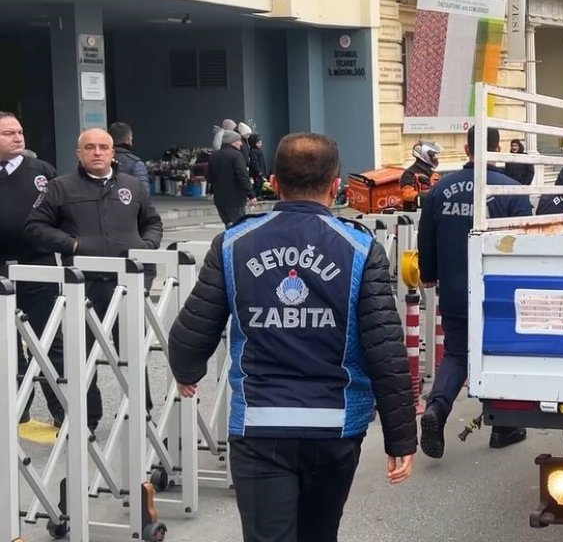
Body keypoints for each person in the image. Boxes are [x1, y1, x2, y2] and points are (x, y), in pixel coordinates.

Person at [167, 132, 416, 542]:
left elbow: (191, 330)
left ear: (274, 182)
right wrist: (400, 435)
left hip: (260, 427)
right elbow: (385, 349)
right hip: (335, 428)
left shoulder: (233, 243)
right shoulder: (359, 247)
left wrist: (186, 369)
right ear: (336, 186)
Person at [25, 127, 164, 431]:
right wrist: (72, 245)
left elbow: (152, 222)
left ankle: (141, 413)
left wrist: (148, 246)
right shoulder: (59, 188)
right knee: (81, 356)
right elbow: (36, 227)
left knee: (132, 353)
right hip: (83, 287)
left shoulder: (133, 187)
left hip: (126, 284)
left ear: (114, 153)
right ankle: (86, 419)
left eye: (103, 147)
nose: (97, 152)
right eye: (90, 147)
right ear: (79, 153)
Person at [417, 125, 531, 459]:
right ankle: (504, 426)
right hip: (499, 293)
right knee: (502, 354)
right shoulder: (512, 190)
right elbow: (525, 243)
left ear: (466, 149)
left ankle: (436, 409)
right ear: (497, 150)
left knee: (456, 354)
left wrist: (429, 274)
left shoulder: (441, 189)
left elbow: (426, 236)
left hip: (454, 290)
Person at [0, 112, 61, 423]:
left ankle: (63, 409)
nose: (18, 137)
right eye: (8, 133)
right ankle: (16, 407)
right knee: (4, 346)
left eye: (19, 131)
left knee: (48, 341)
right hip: (0, 274)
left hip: (38, 268)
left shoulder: (41, 171)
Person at [207, 129, 256, 228]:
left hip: (220, 199)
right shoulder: (237, 155)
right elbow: (242, 176)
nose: (241, 144)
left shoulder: (214, 156)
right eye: (238, 141)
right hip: (236, 199)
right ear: (232, 142)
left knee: (228, 225)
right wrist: (251, 194)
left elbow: (208, 176)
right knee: (238, 227)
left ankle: (228, 242)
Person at [399, 140, 441, 212]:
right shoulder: (409, 173)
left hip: (431, 211)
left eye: (434, 156)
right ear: (424, 155)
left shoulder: (434, 174)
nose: (435, 158)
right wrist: (426, 197)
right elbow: (406, 194)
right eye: (432, 155)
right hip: (414, 213)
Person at [245, 134, 267, 198]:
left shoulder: (257, 150)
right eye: (258, 143)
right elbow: (254, 162)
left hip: (260, 171)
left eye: (261, 142)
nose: (261, 144)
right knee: (257, 185)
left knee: (260, 184)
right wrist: (259, 171)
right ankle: (255, 197)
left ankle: (258, 196)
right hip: (257, 172)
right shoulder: (253, 151)